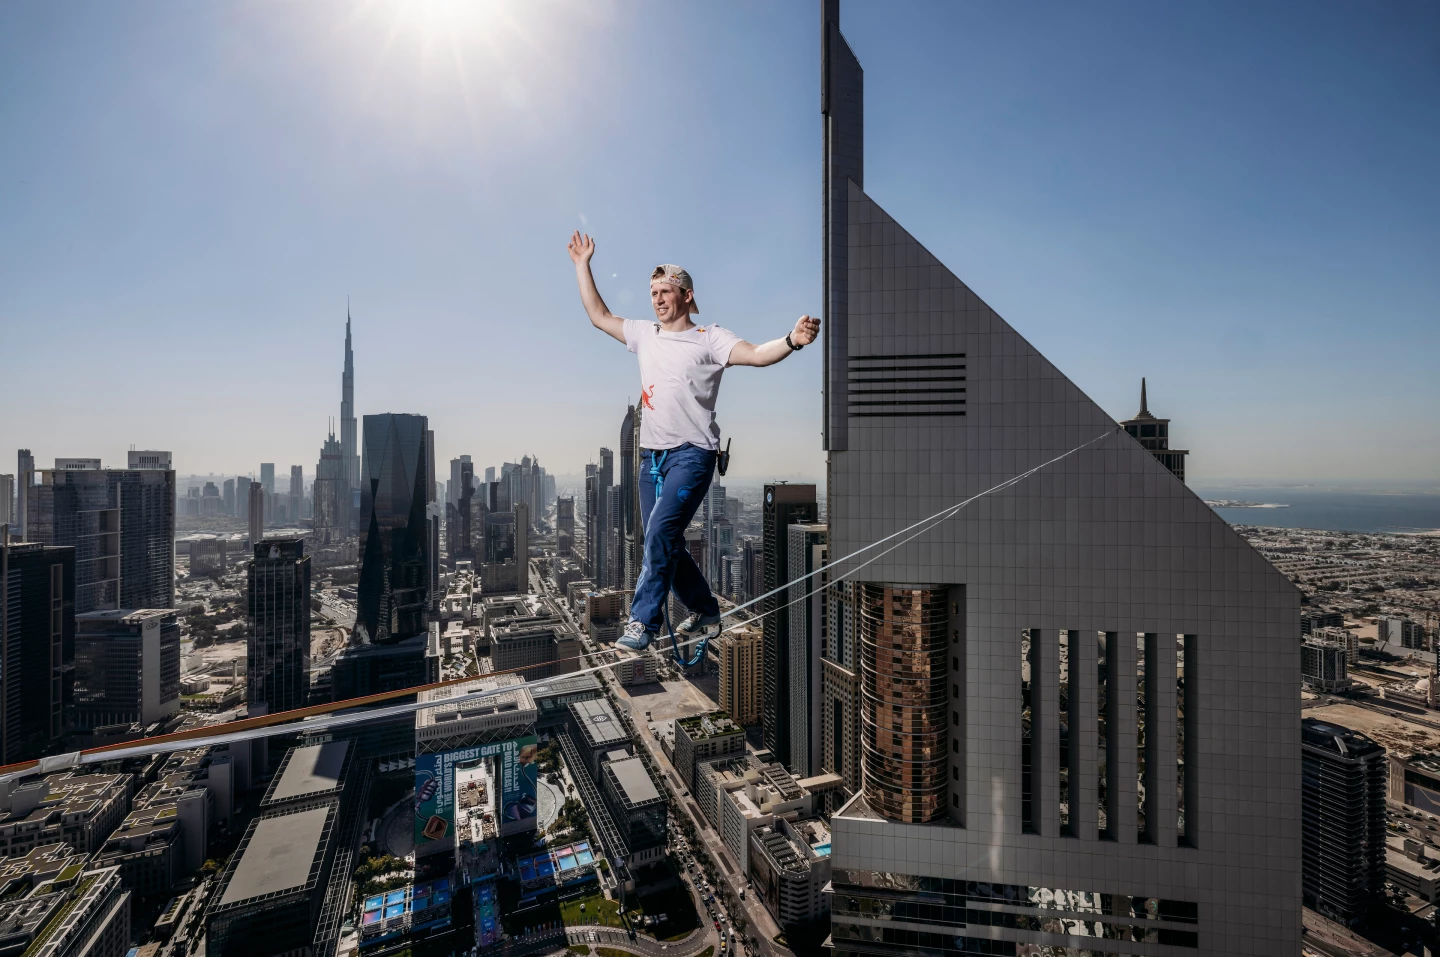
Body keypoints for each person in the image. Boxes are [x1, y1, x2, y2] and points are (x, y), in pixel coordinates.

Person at [568, 230, 819, 651]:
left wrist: (792, 340)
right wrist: (582, 265)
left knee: (659, 534)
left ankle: (642, 622)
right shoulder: (645, 334)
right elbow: (599, 315)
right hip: (650, 460)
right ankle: (705, 610)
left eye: (665, 292)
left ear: (686, 295)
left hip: (692, 455)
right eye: (653, 293)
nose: (657, 300)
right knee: (662, 539)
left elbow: (757, 354)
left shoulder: (710, 337)